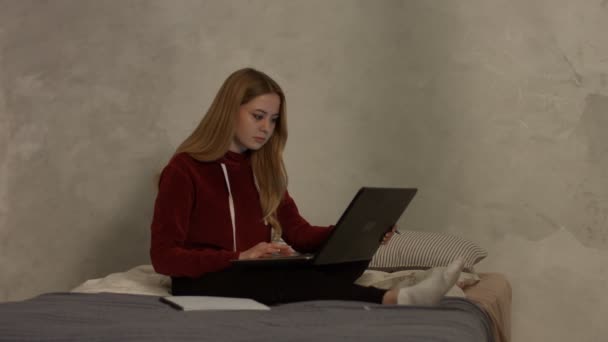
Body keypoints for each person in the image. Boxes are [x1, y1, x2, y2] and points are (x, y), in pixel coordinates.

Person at [150, 67, 464, 306]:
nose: (266, 128)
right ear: (229, 111)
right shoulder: (184, 169)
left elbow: (299, 233)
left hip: (251, 273)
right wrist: (238, 257)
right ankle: (393, 299)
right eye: (258, 116)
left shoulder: (262, 170)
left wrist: (354, 233)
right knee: (288, 278)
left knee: (345, 259)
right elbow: (164, 257)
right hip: (204, 279)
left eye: (273, 120)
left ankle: (338, 265)